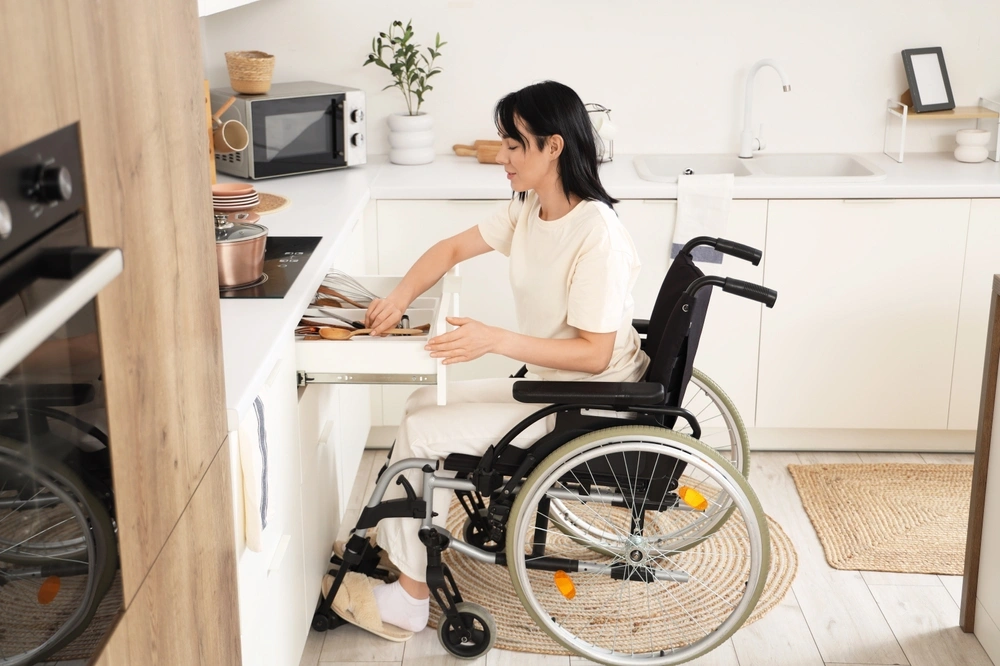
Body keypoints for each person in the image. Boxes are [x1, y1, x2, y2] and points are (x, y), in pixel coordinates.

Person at [340, 80, 649, 638]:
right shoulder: (531, 208)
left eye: (513, 145)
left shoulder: (596, 234)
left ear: (553, 147)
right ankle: (402, 554)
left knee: (423, 436)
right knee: (416, 407)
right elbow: (451, 248)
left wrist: (494, 339)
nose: (501, 157)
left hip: (587, 402)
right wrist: (399, 297)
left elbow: (595, 353)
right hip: (551, 385)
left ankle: (409, 600)